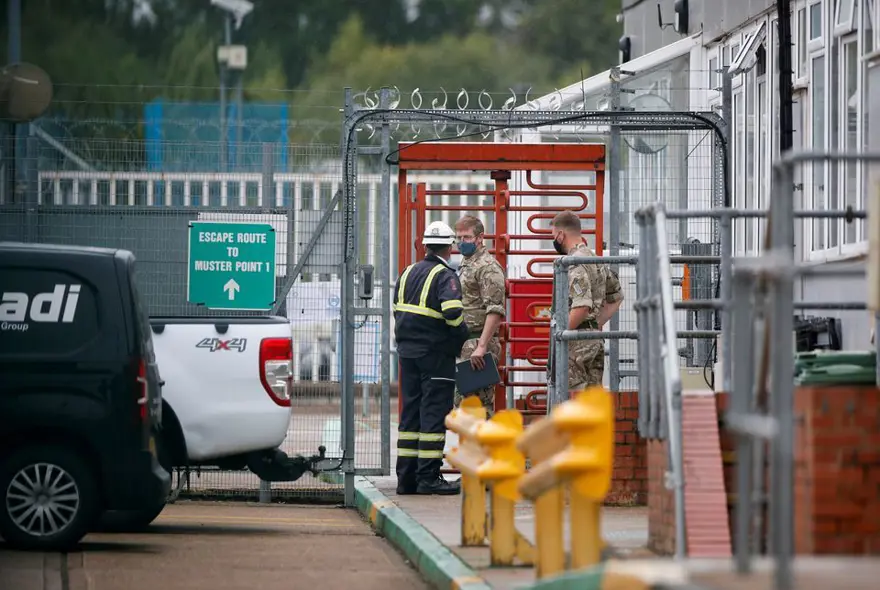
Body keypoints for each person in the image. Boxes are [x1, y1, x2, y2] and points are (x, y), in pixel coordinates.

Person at [393, 220, 470, 496]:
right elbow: (452, 312)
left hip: (407, 353)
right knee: (433, 415)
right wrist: (462, 337)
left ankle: (406, 479)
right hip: (436, 355)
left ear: (424, 244)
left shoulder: (406, 272)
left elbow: (398, 311)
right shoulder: (445, 275)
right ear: (450, 247)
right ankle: (428, 477)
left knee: (410, 414)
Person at [550, 210, 610, 390]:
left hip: (577, 342)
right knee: (592, 399)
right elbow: (616, 297)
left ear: (561, 235)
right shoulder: (595, 259)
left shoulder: (574, 262)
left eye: (553, 236)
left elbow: (582, 306)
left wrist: (562, 333)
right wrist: (594, 323)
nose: (553, 240)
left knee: (573, 400)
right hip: (595, 339)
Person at [452, 215, 506, 417]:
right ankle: (469, 448)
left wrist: (482, 346)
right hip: (467, 344)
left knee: (477, 408)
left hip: (478, 345)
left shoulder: (487, 267)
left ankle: (481, 449)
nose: (461, 242)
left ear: (480, 238)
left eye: (466, 237)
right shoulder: (467, 263)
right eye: (458, 238)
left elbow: (495, 309)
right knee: (464, 406)